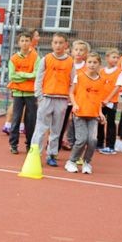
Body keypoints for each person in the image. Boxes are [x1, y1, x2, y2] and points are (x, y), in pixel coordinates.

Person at [30, 33, 73, 167]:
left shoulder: (70, 62)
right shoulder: (46, 59)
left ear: (66, 45)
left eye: (61, 43)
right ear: (51, 44)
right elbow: (39, 79)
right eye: (55, 42)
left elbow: (73, 82)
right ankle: (35, 154)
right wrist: (39, 96)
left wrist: (69, 98)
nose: (58, 45)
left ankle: (52, 154)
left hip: (61, 99)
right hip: (46, 97)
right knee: (41, 128)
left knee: (56, 129)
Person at [66, 51, 104, 175]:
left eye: (95, 62)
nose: (92, 65)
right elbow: (72, 92)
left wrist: (100, 113)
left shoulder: (100, 80)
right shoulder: (79, 76)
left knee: (92, 140)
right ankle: (71, 161)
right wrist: (75, 104)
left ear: (99, 64)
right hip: (80, 114)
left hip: (93, 115)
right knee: (81, 140)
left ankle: (87, 163)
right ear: (86, 63)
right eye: (89, 62)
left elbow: (99, 99)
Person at [6, 32, 38, 154]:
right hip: (18, 92)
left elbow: (36, 74)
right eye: (22, 40)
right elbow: (12, 76)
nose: (24, 43)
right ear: (19, 43)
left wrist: (21, 74)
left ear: (31, 42)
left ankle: (29, 144)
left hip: (31, 93)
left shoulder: (36, 57)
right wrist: (27, 76)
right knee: (16, 118)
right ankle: (13, 144)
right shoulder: (14, 58)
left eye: (27, 40)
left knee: (31, 120)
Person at [59, 39, 90, 152]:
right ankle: (57, 140)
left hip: (78, 99)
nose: (78, 52)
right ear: (72, 51)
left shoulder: (87, 67)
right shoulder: (68, 63)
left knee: (74, 120)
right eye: (76, 50)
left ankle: (72, 141)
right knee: (60, 120)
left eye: (81, 50)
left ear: (85, 53)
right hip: (65, 96)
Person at [96, 49, 122, 154]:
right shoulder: (101, 71)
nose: (116, 59)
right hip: (100, 102)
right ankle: (99, 143)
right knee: (100, 122)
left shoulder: (119, 72)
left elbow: (118, 87)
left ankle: (110, 146)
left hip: (111, 102)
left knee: (111, 123)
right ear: (107, 58)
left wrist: (107, 99)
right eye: (113, 57)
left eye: (117, 58)